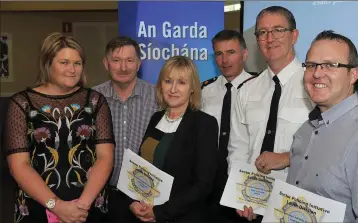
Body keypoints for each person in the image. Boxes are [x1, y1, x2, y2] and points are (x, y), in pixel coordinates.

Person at [242, 30, 358, 222]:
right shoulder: (306, 130)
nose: (317, 73)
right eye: (311, 65)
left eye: (330, 65)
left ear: (353, 75)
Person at [3, 32, 114, 223]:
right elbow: (19, 166)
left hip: (88, 209)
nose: (72, 69)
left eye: (77, 63)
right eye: (64, 62)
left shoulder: (95, 101)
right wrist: (58, 206)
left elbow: (105, 158)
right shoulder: (22, 103)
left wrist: (81, 207)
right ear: (48, 64)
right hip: (37, 208)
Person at [227, 6, 314, 218]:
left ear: (294, 36)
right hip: (253, 202)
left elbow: (330, 147)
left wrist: (288, 157)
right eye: (263, 32)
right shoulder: (246, 90)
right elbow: (238, 147)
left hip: (298, 206)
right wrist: (238, 196)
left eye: (278, 30)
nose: (270, 38)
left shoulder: (314, 85)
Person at [128, 56, 219, 222]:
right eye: (168, 81)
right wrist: (133, 202)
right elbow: (143, 167)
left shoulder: (205, 124)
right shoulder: (156, 118)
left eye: (182, 82)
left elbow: (203, 185)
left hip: (184, 217)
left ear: (192, 88)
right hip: (148, 213)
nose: (173, 89)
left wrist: (160, 212)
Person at [93, 36, 157, 222]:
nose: (123, 67)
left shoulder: (159, 97)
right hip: (102, 195)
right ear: (106, 63)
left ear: (139, 63)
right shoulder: (92, 99)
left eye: (129, 60)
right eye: (116, 60)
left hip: (146, 198)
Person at [201, 29, 254, 222]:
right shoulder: (205, 90)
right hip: (208, 182)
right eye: (219, 54)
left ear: (244, 54)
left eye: (231, 52)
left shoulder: (259, 90)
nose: (225, 60)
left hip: (242, 180)